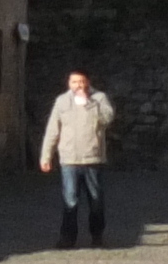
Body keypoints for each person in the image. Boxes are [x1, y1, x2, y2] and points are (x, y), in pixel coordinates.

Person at [39, 70, 117, 248]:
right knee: (70, 200)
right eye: (74, 82)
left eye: (81, 82)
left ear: (88, 82)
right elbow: (53, 129)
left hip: (92, 159)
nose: (78, 86)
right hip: (69, 159)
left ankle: (97, 236)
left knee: (96, 200)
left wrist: (89, 104)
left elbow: (107, 119)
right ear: (68, 83)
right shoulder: (62, 102)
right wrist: (46, 156)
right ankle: (67, 238)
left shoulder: (99, 98)